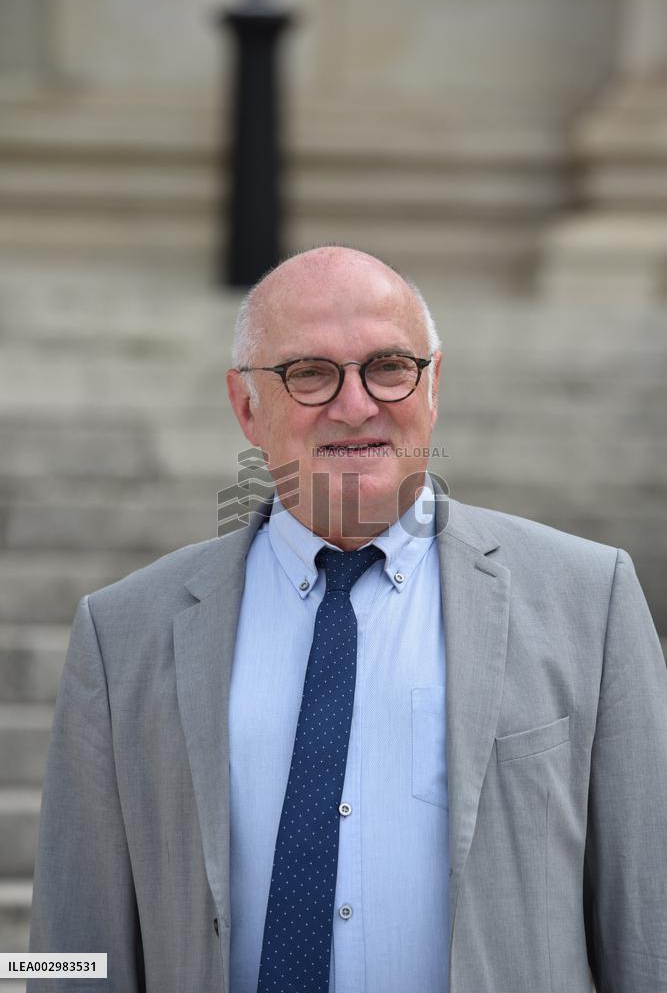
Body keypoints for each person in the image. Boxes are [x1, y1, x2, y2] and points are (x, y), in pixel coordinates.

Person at [29, 246, 667, 993]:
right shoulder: (120, 633)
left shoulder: (589, 598)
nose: (356, 404)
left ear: (432, 388)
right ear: (245, 407)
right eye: (309, 373)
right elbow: (69, 952)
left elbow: (647, 921)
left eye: (388, 367)